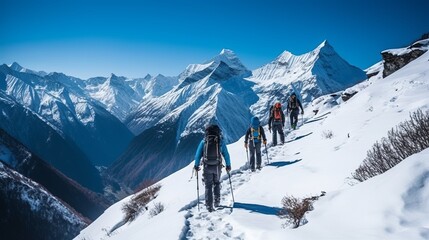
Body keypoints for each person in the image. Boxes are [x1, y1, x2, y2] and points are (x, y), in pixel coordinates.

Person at [194, 124, 231, 212]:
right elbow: (226, 154)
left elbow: (198, 155)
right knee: (217, 183)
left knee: (208, 186)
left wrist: (196, 165)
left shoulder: (204, 141)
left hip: (207, 166)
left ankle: (209, 206)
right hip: (217, 166)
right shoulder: (220, 141)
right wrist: (228, 165)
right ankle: (217, 201)